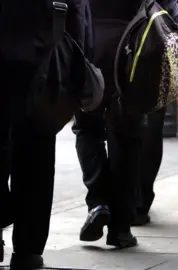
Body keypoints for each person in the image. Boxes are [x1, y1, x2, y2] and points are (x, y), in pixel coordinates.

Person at [73, 0, 178, 247]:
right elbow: (168, 8)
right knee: (127, 137)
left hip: (89, 45)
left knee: (87, 128)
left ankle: (98, 202)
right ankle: (121, 228)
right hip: (135, 50)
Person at [0, 0, 91, 268]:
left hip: (37, 55)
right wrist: (80, 57)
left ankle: (18, 229)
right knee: (36, 153)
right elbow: (77, 10)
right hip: (41, 55)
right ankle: (28, 249)